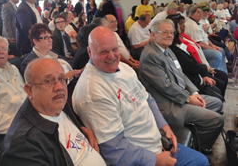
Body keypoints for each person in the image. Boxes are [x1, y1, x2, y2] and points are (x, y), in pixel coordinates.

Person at [72, 26, 209, 166]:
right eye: (103, 52)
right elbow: (114, 150)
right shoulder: (92, 93)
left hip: (157, 142)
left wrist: (164, 126)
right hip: (141, 159)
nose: (112, 56)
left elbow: (147, 99)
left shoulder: (123, 68)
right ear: (89, 51)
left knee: (202, 161)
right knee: (201, 162)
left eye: (115, 49)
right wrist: (155, 159)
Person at [138, 19, 224, 155]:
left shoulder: (168, 50)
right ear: (153, 35)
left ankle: (197, 139)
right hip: (168, 105)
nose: (170, 35)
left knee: (217, 103)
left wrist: (194, 93)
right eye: (165, 32)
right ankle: (197, 149)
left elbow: (181, 74)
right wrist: (189, 99)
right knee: (216, 120)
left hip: (182, 96)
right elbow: (166, 86)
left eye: (172, 32)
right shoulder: (150, 55)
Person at [0, 58, 106, 166]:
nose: (59, 87)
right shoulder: (22, 147)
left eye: (61, 79)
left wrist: (84, 131)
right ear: (29, 90)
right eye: (48, 81)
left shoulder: (57, 104)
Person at [167, 14, 228, 99]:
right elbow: (189, 65)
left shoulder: (184, 37)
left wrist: (206, 70)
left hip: (200, 67)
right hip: (196, 73)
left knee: (223, 76)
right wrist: (205, 71)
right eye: (180, 24)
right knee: (218, 86)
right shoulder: (174, 46)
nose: (183, 26)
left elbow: (193, 56)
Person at [0, 36, 26, 149]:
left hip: (27, 121)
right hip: (6, 132)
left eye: (4, 49)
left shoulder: (13, 68)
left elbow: (25, 96)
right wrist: (22, 126)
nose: (1, 51)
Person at [185, 6, 228, 73]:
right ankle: (211, 73)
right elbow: (200, 43)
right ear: (192, 14)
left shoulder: (198, 23)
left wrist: (213, 46)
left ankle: (223, 72)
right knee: (217, 54)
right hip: (198, 50)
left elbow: (205, 38)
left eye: (201, 12)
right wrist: (212, 48)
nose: (201, 14)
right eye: (198, 12)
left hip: (203, 47)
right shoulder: (192, 25)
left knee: (221, 50)